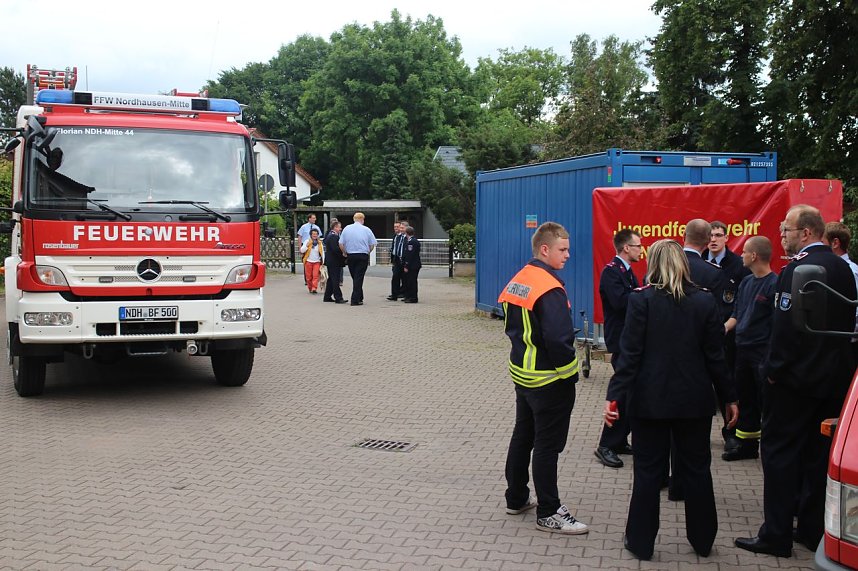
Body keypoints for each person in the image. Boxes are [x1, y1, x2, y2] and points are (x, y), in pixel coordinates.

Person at [603, 239, 738, 561]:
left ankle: (641, 541)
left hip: (649, 402)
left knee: (648, 472)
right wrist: (730, 397)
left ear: (654, 265)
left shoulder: (642, 301)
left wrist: (614, 398)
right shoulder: (705, 302)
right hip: (694, 402)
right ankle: (703, 540)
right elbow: (715, 357)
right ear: (683, 265)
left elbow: (630, 357)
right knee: (697, 469)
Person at [735, 205, 857, 557]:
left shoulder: (798, 269)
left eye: (786, 229)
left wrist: (771, 371)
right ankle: (810, 528)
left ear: (805, 233)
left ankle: (775, 535)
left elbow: (786, 331)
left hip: (793, 382)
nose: (782, 236)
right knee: (818, 458)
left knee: (778, 455)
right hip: (832, 382)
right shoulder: (843, 268)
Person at [498, 221, 589, 535]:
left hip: (523, 375)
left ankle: (516, 497)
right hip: (549, 379)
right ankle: (549, 511)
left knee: (523, 436)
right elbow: (558, 339)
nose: (568, 255)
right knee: (547, 446)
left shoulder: (520, 279)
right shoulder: (549, 287)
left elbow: (512, 327)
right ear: (545, 249)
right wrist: (570, 375)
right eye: (563, 249)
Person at [722, 236, 777, 461]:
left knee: (766, 401)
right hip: (742, 350)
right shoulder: (746, 282)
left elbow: (776, 325)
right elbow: (736, 314)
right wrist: (719, 331)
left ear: (754, 256)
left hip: (761, 353)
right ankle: (746, 445)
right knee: (746, 398)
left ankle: (771, 448)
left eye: (744, 251)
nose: (741, 255)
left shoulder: (775, 284)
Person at [594, 229, 641, 469]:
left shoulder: (627, 271)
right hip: (620, 339)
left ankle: (619, 439)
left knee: (631, 391)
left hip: (629, 339)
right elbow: (621, 302)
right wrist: (644, 295)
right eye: (637, 246)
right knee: (622, 391)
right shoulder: (611, 272)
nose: (640, 250)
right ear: (626, 248)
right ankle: (606, 444)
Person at [704, 220, 751, 450]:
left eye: (718, 235)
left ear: (726, 238)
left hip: (727, 333)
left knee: (728, 383)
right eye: (710, 235)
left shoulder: (738, 266)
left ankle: (730, 432)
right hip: (702, 332)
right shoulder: (699, 261)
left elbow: (741, 302)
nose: (713, 239)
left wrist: (729, 325)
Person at [339, 212, 377, 306]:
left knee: (355, 277)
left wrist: (344, 252)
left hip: (351, 255)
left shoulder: (347, 228)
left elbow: (341, 243)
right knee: (359, 277)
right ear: (362, 219)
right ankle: (355, 299)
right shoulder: (366, 229)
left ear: (354, 219)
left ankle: (359, 296)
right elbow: (372, 244)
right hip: (362, 255)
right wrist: (368, 251)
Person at [322, 220, 347, 304]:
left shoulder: (332, 236)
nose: (340, 229)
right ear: (335, 227)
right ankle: (338, 297)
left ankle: (327, 296)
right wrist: (343, 253)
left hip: (331, 261)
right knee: (335, 279)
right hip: (334, 261)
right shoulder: (333, 236)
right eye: (339, 227)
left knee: (331, 279)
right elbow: (335, 249)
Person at [400, 226, 421, 303]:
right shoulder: (411, 241)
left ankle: (413, 297)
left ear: (406, 233)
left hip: (413, 265)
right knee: (408, 281)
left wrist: (406, 265)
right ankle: (408, 296)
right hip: (413, 265)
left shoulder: (412, 242)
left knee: (412, 281)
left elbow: (410, 255)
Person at [300, 228, 324, 294]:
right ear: (310, 235)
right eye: (313, 234)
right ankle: (310, 288)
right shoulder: (307, 241)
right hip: (308, 261)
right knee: (308, 277)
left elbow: (322, 253)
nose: (315, 235)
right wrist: (307, 245)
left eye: (316, 234)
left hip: (317, 261)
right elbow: (302, 250)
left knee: (315, 275)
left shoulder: (319, 243)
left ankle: (314, 288)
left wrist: (323, 262)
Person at [387, 221, 405, 301]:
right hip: (396, 259)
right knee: (395, 277)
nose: (396, 229)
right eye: (395, 227)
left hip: (402, 259)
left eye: (397, 227)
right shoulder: (395, 237)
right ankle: (394, 294)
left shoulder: (403, 237)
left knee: (404, 277)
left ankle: (402, 292)